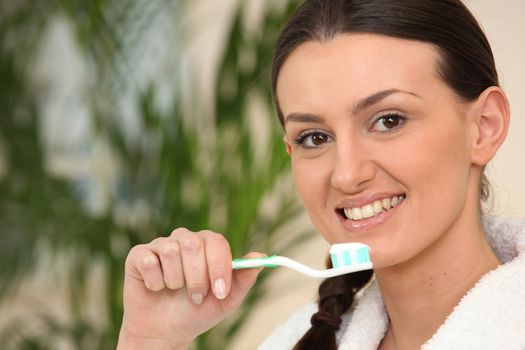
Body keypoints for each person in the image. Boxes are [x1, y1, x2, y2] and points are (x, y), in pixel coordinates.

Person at [117, 0, 525, 349]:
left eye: (388, 120)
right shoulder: (294, 341)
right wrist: (150, 339)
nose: (347, 175)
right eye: (315, 137)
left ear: (484, 126)